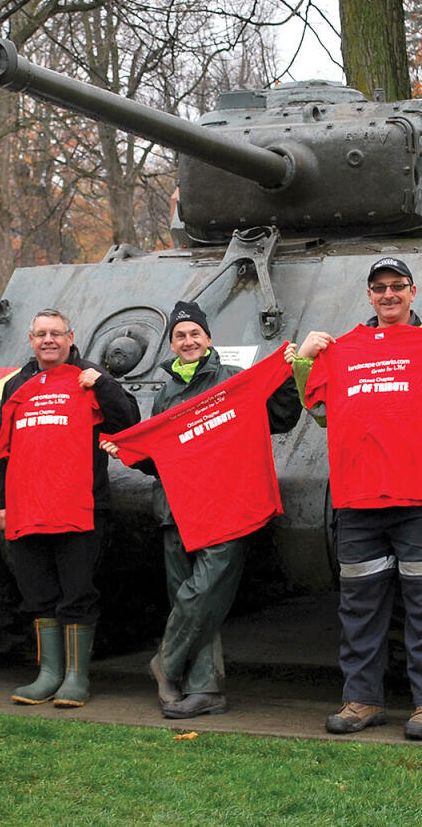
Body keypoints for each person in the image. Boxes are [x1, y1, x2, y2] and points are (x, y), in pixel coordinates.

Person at [291, 256, 422, 740]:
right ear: (369, 295)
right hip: (361, 499)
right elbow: (321, 411)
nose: (388, 294)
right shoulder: (343, 350)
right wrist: (304, 363)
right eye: (379, 287)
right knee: (360, 605)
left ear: (412, 291)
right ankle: (361, 700)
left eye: (397, 286)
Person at [100, 300, 300, 719]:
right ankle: (204, 689)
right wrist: (130, 453)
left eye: (194, 334)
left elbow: (279, 419)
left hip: (226, 506)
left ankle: (166, 663)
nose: (188, 341)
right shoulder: (167, 393)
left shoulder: (233, 381)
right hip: (175, 510)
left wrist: (285, 375)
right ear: (172, 345)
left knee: (204, 592)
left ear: (208, 339)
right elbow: (161, 460)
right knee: (188, 599)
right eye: (180, 336)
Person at [0, 309, 140, 708]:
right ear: (31, 339)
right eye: (41, 334)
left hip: (80, 506)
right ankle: (49, 673)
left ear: (71, 337)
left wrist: (104, 385)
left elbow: (128, 422)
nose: (49, 340)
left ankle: (76, 677)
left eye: (56, 333)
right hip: (27, 508)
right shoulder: (18, 384)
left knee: (77, 593)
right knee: (38, 594)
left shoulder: (89, 376)